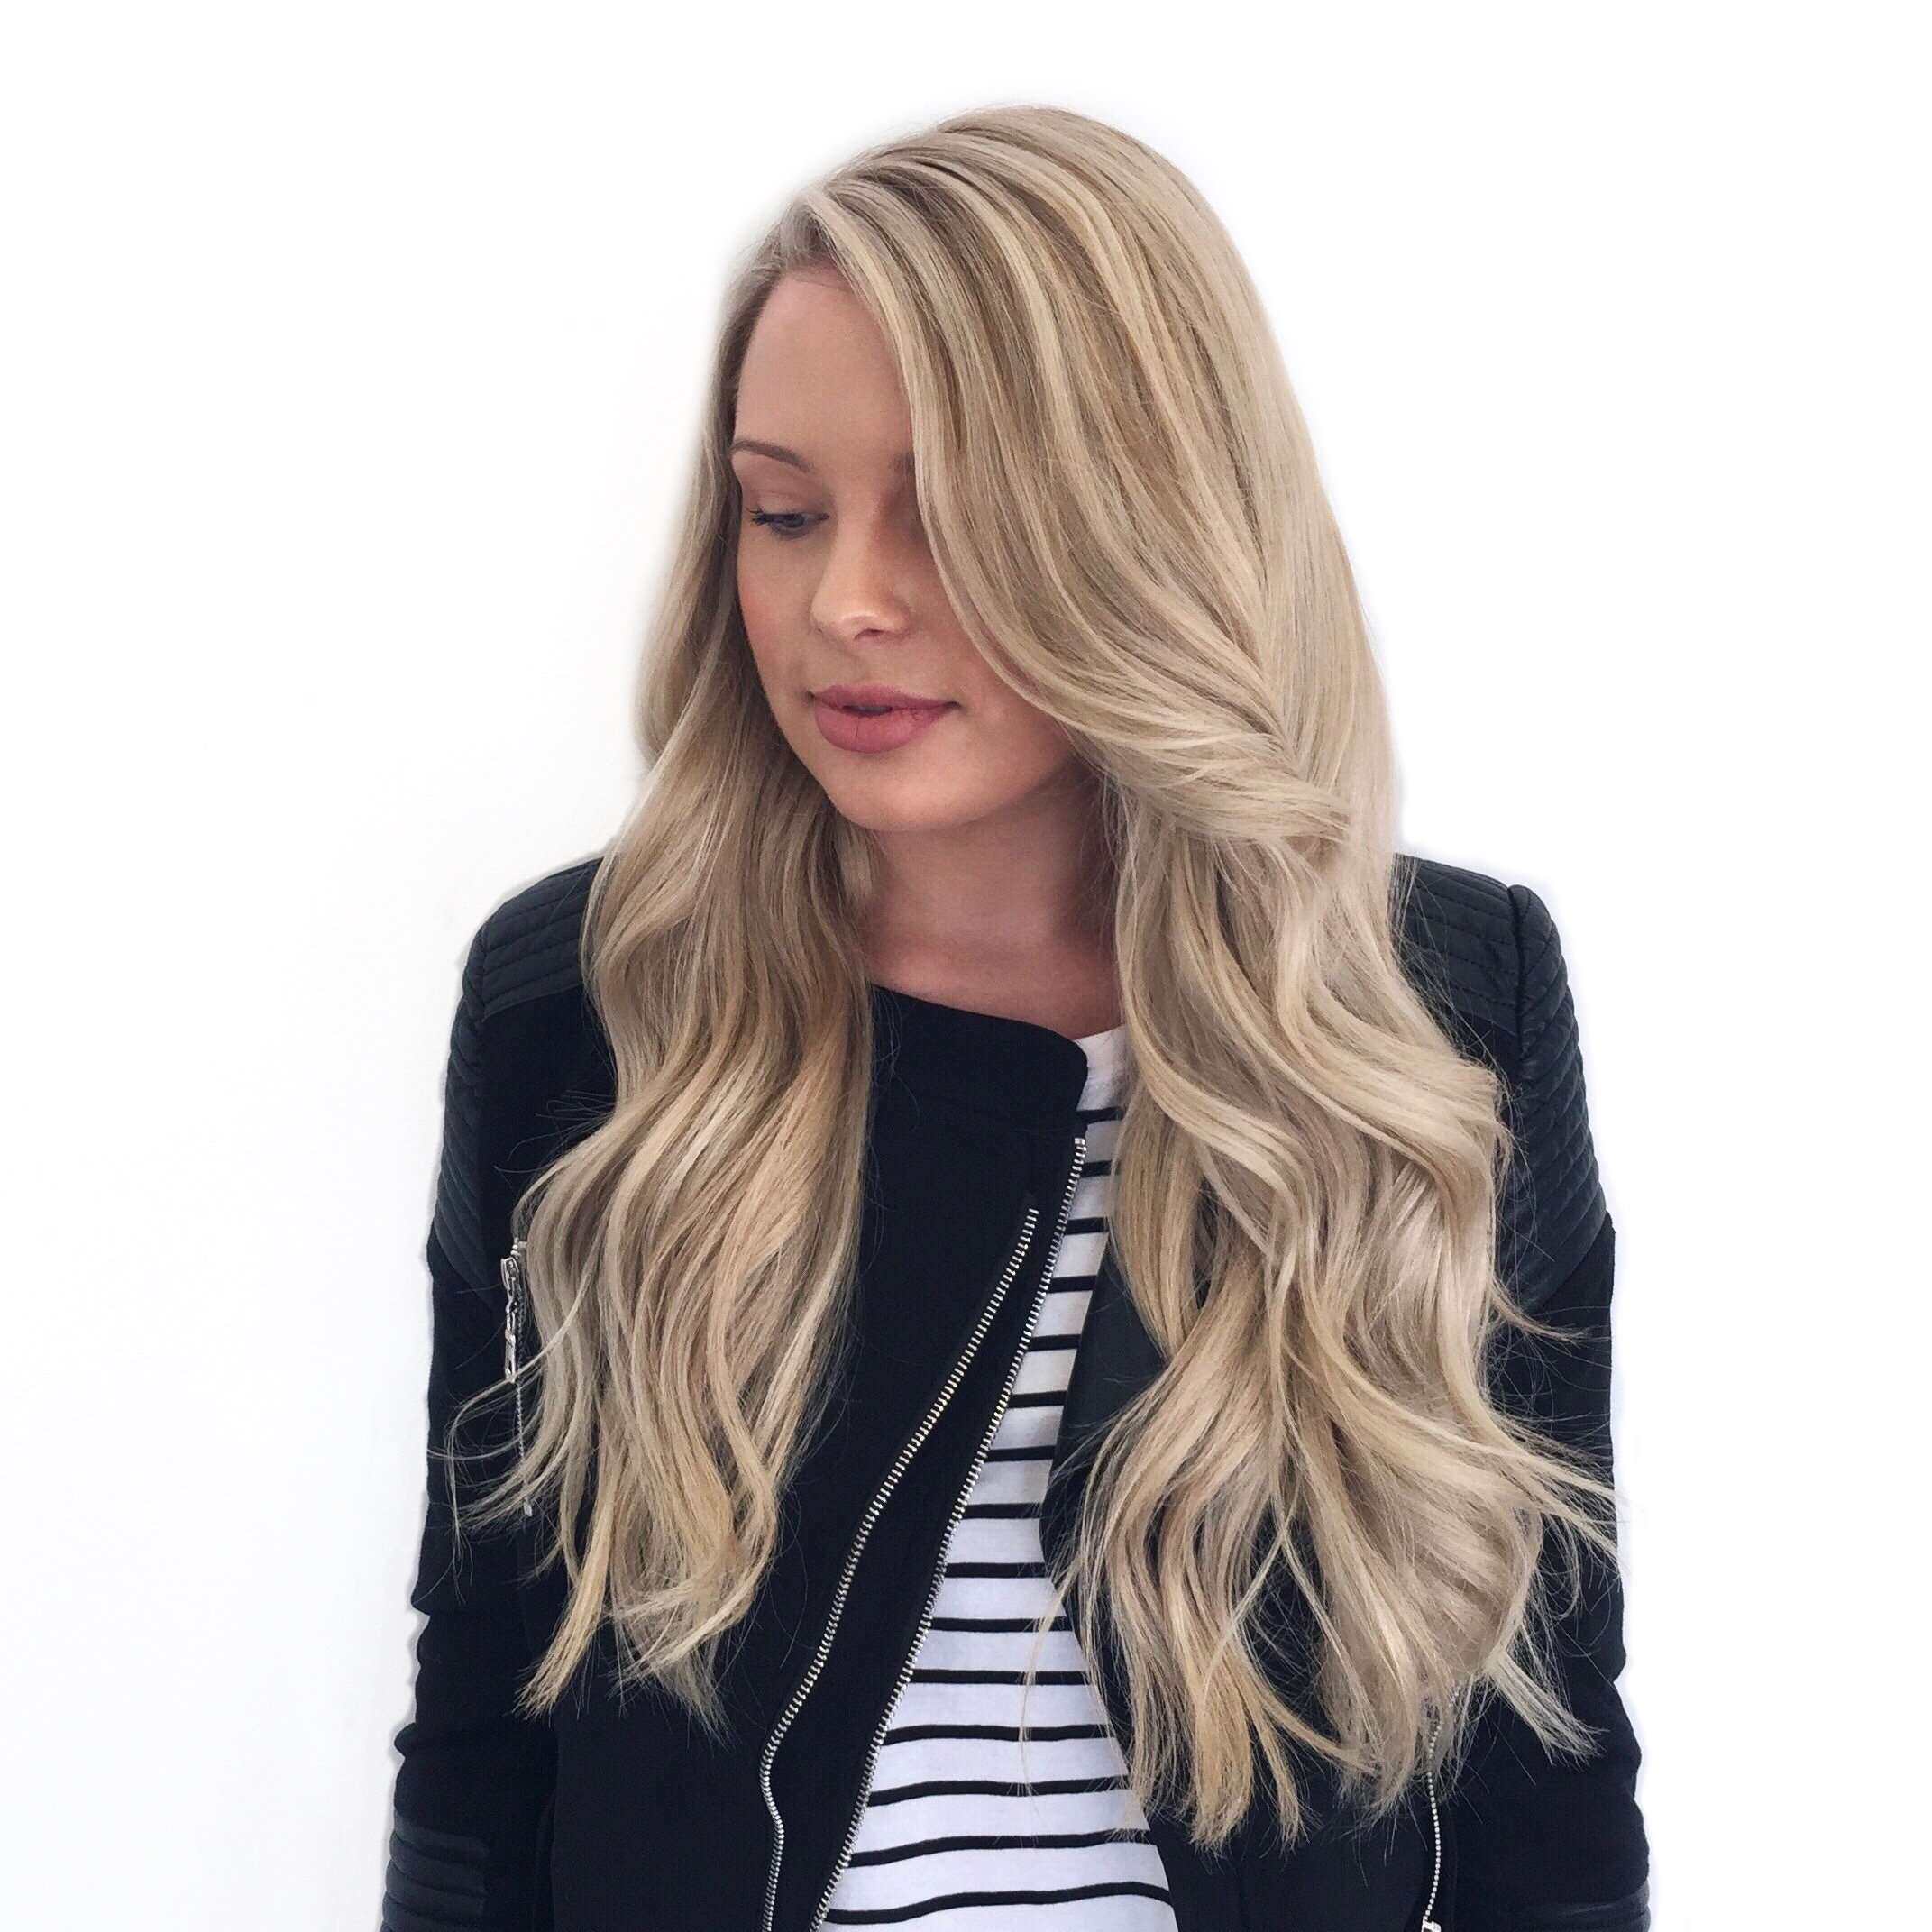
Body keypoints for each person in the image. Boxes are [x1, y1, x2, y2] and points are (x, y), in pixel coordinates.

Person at [380, 103, 1649, 1932]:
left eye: (950, 514)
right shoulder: (584, 1000)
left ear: (1148, 527)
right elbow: (486, 1711)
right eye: (783, 512)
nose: (843, 601)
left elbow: (1547, 1754)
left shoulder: (1439, 998)